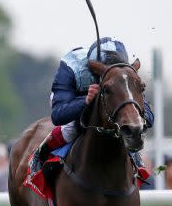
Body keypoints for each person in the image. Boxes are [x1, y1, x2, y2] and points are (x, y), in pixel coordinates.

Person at [29, 37, 154, 172]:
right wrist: (85, 100)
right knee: (71, 128)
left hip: (108, 106)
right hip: (73, 98)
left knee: (125, 126)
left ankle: (136, 163)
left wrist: (138, 118)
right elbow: (58, 115)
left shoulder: (125, 75)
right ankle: (41, 154)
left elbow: (148, 116)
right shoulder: (72, 66)